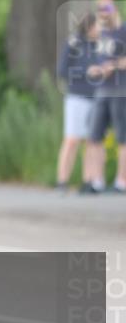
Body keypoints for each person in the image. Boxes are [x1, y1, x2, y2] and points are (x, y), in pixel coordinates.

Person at [82, 0, 126, 194]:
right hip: (102, 90)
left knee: (122, 138)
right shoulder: (102, 35)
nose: (103, 11)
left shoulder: (123, 31)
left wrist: (113, 66)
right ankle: (96, 181)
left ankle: (121, 182)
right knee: (94, 136)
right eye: (100, 8)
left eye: (106, 7)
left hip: (121, 91)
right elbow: (98, 61)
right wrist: (96, 69)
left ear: (114, 9)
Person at [55, 13, 99, 191]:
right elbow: (62, 71)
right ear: (89, 27)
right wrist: (86, 72)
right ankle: (62, 180)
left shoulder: (99, 46)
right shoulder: (73, 44)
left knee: (90, 141)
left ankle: (88, 181)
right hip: (76, 97)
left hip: (95, 98)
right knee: (72, 139)